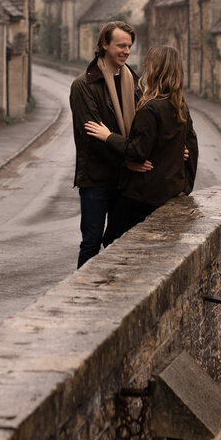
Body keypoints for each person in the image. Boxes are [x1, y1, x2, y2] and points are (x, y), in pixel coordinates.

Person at [84, 45, 197, 246]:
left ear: (154, 69)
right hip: (169, 191)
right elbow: (192, 147)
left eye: (147, 64)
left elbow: (137, 152)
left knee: (112, 241)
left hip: (143, 194)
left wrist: (108, 136)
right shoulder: (180, 105)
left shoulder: (150, 108)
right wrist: (186, 185)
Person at [69, 20, 146, 268]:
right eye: (120, 45)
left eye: (129, 46)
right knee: (91, 242)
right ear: (104, 44)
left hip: (127, 182)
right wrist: (130, 161)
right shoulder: (84, 86)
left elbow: (145, 129)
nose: (126, 51)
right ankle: (80, 298)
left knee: (120, 241)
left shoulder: (136, 83)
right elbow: (93, 137)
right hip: (96, 179)